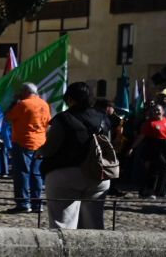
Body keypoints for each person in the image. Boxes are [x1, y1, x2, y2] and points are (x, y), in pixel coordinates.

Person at [38, 81, 112, 230]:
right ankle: (93, 251)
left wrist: (39, 151)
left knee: (63, 224)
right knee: (93, 224)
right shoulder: (103, 119)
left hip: (66, 174)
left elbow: (50, 148)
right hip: (98, 174)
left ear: (70, 99)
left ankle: (65, 252)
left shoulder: (63, 119)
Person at [5, 83, 51, 213]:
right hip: (40, 142)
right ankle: (37, 203)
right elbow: (48, 123)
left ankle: (23, 203)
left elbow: (8, 117)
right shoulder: (44, 104)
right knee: (36, 174)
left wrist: (14, 101)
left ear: (25, 91)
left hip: (23, 142)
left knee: (21, 173)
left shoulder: (23, 104)